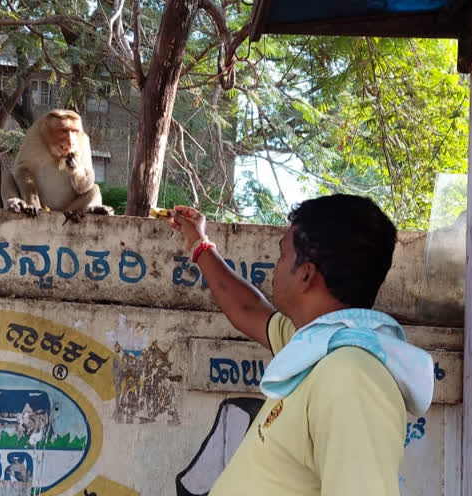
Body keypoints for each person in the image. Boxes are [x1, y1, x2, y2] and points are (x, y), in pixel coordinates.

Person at [168, 194, 434, 496]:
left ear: (306, 274)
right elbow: (247, 309)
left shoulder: (351, 377)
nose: (275, 268)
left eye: (282, 255)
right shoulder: (316, 348)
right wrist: (199, 243)